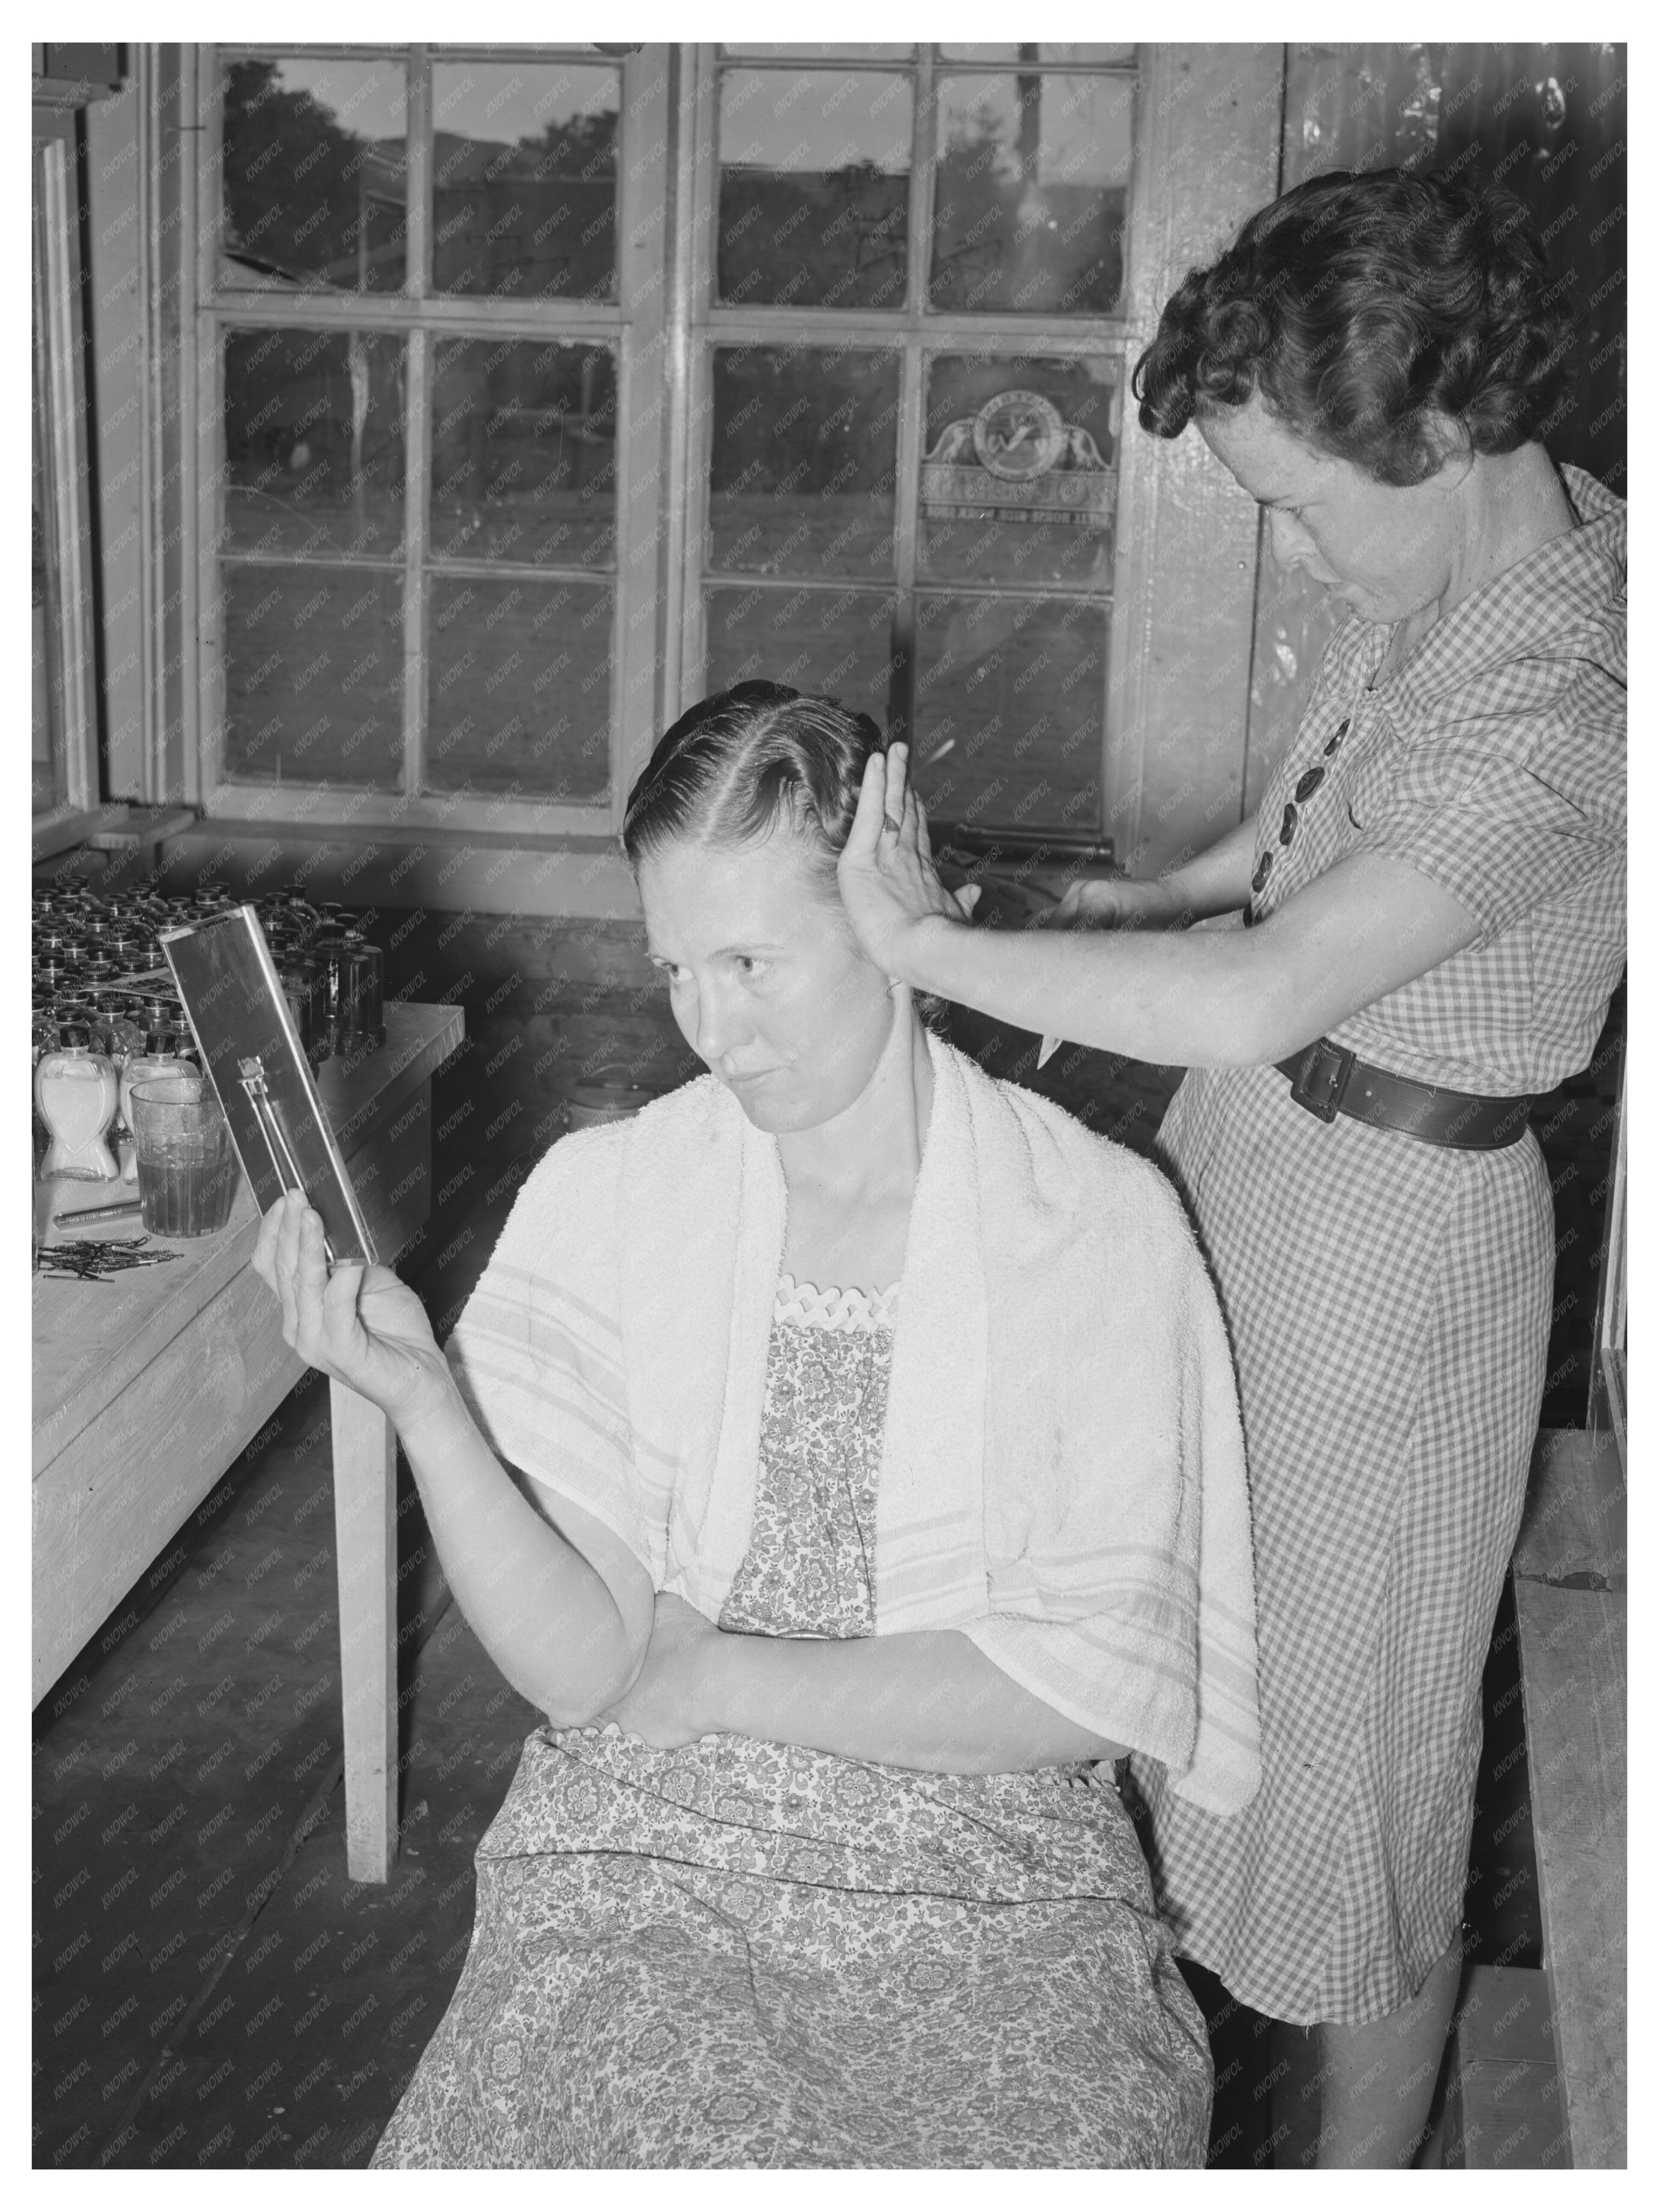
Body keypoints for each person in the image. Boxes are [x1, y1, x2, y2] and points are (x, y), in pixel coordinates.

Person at [834, 167, 1625, 2168]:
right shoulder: (1460, 578)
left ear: (1438, 431)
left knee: (1352, 1798)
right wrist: (1027, 896)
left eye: (1290, 500)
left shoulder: (1565, 684)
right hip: (1260, 1194)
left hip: (1391, 1274)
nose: (1283, 543)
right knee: (1194, 1696)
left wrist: (925, 955)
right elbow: (1246, 876)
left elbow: (1267, 981)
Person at [254, 683, 1261, 2170]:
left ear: (890, 914)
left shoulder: (1089, 1227)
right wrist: (425, 1410)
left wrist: (716, 1673)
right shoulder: (620, 1201)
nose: (710, 1028)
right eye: (674, 969)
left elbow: (1085, 1694)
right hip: (650, 1851)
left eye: (751, 962)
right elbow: (594, 1670)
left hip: (989, 1885)